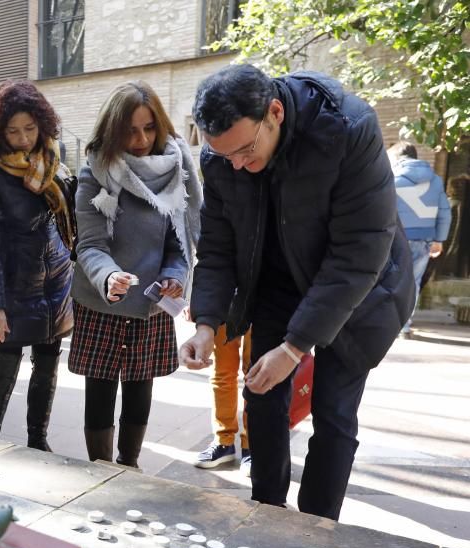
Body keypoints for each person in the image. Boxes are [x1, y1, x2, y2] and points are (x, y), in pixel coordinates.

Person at [179, 64, 414, 521]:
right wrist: (207, 324)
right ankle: (266, 510)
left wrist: (295, 347)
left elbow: (360, 251)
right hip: (277, 282)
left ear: (275, 112)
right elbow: (218, 247)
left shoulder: (347, 129)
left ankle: (315, 526)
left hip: (358, 292)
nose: (238, 166)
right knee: (261, 396)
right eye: (225, 157)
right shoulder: (223, 157)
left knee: (333, 413)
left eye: (246, 151)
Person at [69, 82, 200, 467]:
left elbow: (180, 245)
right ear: (113, 130)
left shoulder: (177, 168)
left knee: (141, 388)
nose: (141, 139)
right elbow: (90, 244)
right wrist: (109, 277)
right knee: (101, 389)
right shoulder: (96, 170)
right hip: (102, 299)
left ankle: (129, 465)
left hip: (150, 303)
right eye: (130, 130)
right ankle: (100, 468)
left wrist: (176, 276)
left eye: (148, 128)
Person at [0, 81, 74, 451]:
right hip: (14, 286)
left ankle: (38, 442)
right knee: (5, 368)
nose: (22, 139)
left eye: (29, 129)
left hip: (55, 282)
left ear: (42, 125)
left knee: (47, 367)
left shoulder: (52, 158)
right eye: (13, 131)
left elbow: (65, 217)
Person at [387, 141, 452, 337]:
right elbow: (445, 214)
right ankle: (404, 326)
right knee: (412, 283)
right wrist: (439, 240)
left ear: (397, 157)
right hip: (422, 241)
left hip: (393, 239)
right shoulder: (435, 181)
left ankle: (384, 325)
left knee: (388, 280)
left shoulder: (392, 178)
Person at [195, 327, 252, 473]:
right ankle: (223, 441)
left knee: (254, 371)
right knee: (222, 371)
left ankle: (253, 445)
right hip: (225, 307)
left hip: (263, 307)